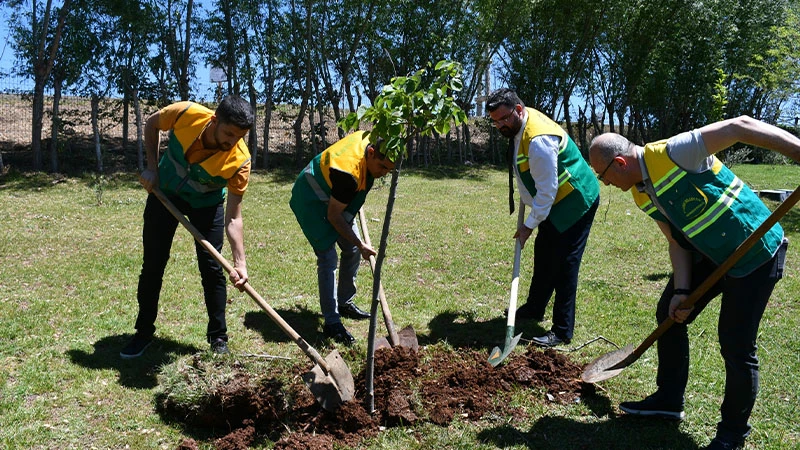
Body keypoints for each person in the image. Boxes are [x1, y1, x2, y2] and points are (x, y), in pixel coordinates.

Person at [588, 116, 800, 450]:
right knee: (668, 314)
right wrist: (683, 291)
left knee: (736, 344)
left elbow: (741, 126)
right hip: (711, 253)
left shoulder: (675, 152)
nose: (606, 183)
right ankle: (669, 400)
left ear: (620, 163)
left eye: (603, 176)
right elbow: (676, 242)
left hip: (755, 252)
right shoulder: (641, 194)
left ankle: (732, 434)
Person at [120, 95, 254, 359]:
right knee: (153, 264)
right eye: (229, 134)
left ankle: (218, 338)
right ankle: (143, 333)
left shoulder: (240, 162)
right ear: (214, 120)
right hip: (165, 194)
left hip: (207, 205)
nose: (232, 142)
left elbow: (234, 218)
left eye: (239, 137)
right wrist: (152, 168)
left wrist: (240, 263)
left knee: (212, 269)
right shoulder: (186, 114)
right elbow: (151, 123)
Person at [486, 89, 600, 347]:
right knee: (545, 252)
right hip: (552, 202)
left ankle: (561, 330)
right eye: (495, 121)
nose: (500, 125)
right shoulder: (520, 127)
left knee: (566, 264)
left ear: (518, 110)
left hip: (575, 201)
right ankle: (535, 307)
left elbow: (547, 191)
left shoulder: (538, 140)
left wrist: (528, 226)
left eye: (503, 119)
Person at [290, 131, 395, 345]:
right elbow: (334, 216)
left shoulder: (370, 138)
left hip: (333, 192)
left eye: (389, 170)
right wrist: (360, 243)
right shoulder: (348, 174)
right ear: (371, 152)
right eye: (382, 167)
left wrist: (357, 245)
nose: (384, 173)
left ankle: (344, 302)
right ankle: (332, 323)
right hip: (311, 196)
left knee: (352, 250)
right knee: (328, 258)